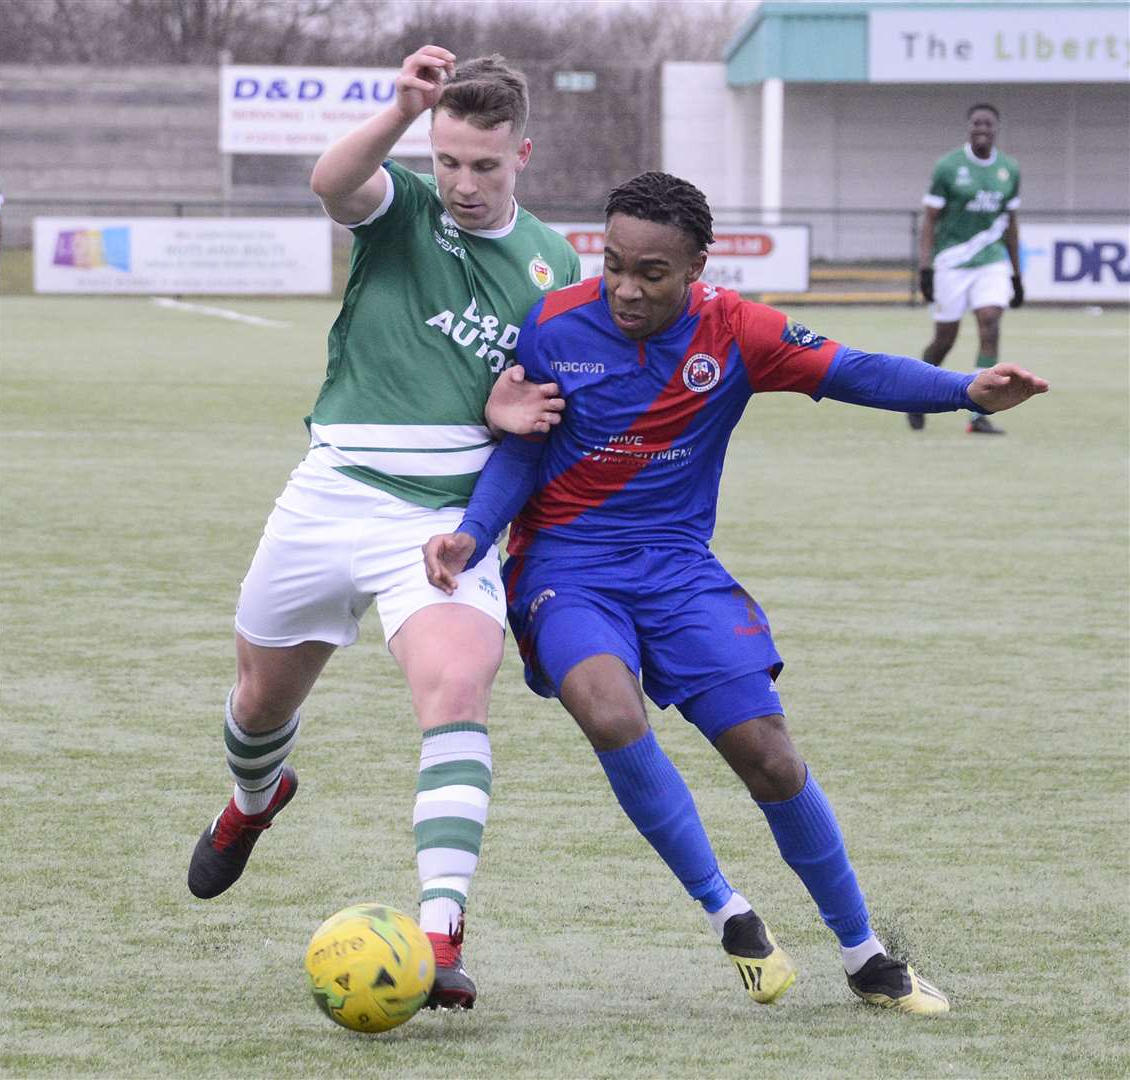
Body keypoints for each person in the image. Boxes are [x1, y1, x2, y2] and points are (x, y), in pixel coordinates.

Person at [423, 171, 1048, 1015]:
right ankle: (731, 913)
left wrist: (963, 390)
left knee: (769, 755)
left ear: (697, 268)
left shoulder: (738, 331)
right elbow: (525, 445)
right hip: (565, 567)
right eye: (614, 264)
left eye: (652, 271)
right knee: (611, 711)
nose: (626, 288)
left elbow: (852, 369)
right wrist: (473, 530)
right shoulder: (554, 323)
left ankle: (865, 955)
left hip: (679, 569)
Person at [186, 45, 582, 1012]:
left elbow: (540, 408)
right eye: (448, 160)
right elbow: (333, 180)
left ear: (520, 153)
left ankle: (439, 936)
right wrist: (401, 110)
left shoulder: (556, 265)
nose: (462, 184)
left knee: (456, 690)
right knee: (256, 704)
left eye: (483, 166)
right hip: (330, 492)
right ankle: (253, 804)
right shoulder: (403, 206)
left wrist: (509, 415)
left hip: (444, 519)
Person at [912, 103, 1024, 434]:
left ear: (996, 129)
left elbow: (1010, 224)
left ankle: (978, 414)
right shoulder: (948, 167)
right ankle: (915, 395)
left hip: (990, 261)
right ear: (969, 127)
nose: (982, 129)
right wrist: (926, 267)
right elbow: (930, 219)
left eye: (988, 124)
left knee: (990, 323)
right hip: (951, 263)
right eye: (976, 123)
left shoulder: (1009, 169)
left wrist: (1017, 275)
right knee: (944, 339)